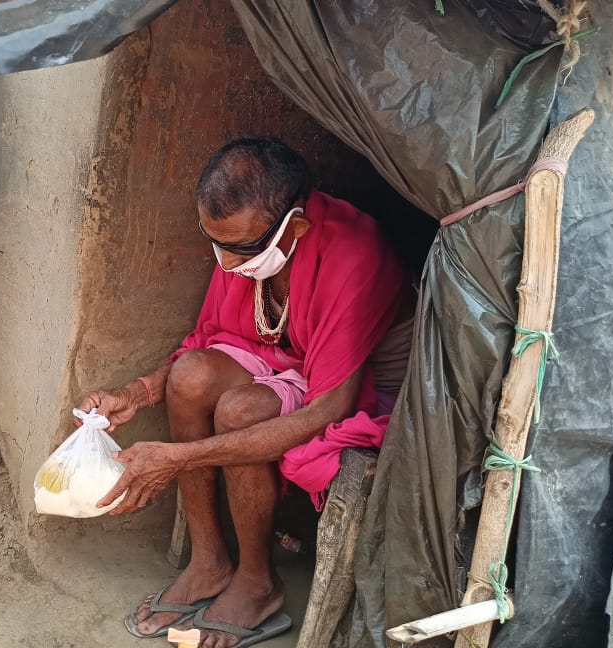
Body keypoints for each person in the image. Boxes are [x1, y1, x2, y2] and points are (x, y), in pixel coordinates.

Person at [76, 137, 412, 648]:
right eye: (216, 243)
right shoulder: (249, 246)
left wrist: (179, 457)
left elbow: (330, 409)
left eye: (240, 249)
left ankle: (258, 580)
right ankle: (209, 562)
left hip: (363, 389)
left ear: (295, 226)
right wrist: (135, 393)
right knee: (189, 375)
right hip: (290, 360)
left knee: (240, 411)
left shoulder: (354, 253)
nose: (228, 263)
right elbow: (210, 342)